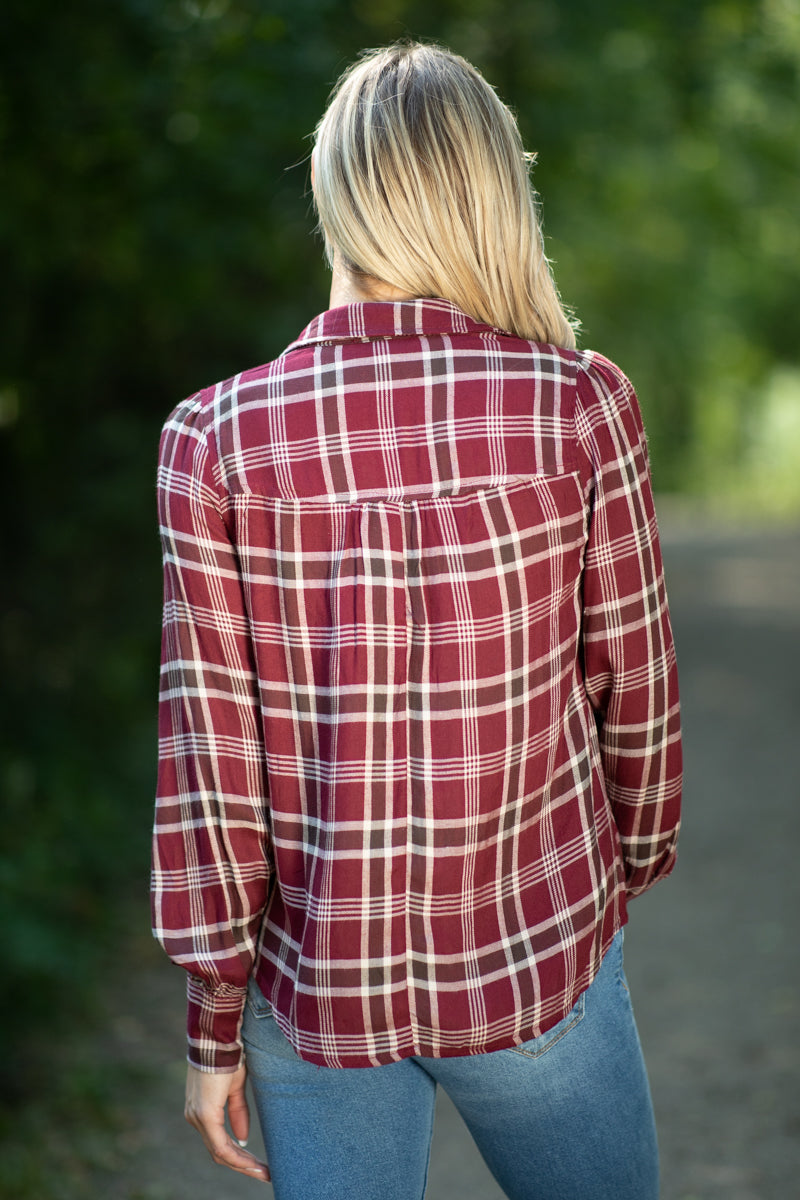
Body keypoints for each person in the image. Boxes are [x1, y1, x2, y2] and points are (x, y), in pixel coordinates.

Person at [152, 41, 682, 1200]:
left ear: (337, 192)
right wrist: (614, 871)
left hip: (316, 991)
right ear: (491, 189)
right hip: (538, 957)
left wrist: (210, 1024)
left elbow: (213, 772)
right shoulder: (578, 406)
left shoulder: (214, 441)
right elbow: (634, 695)